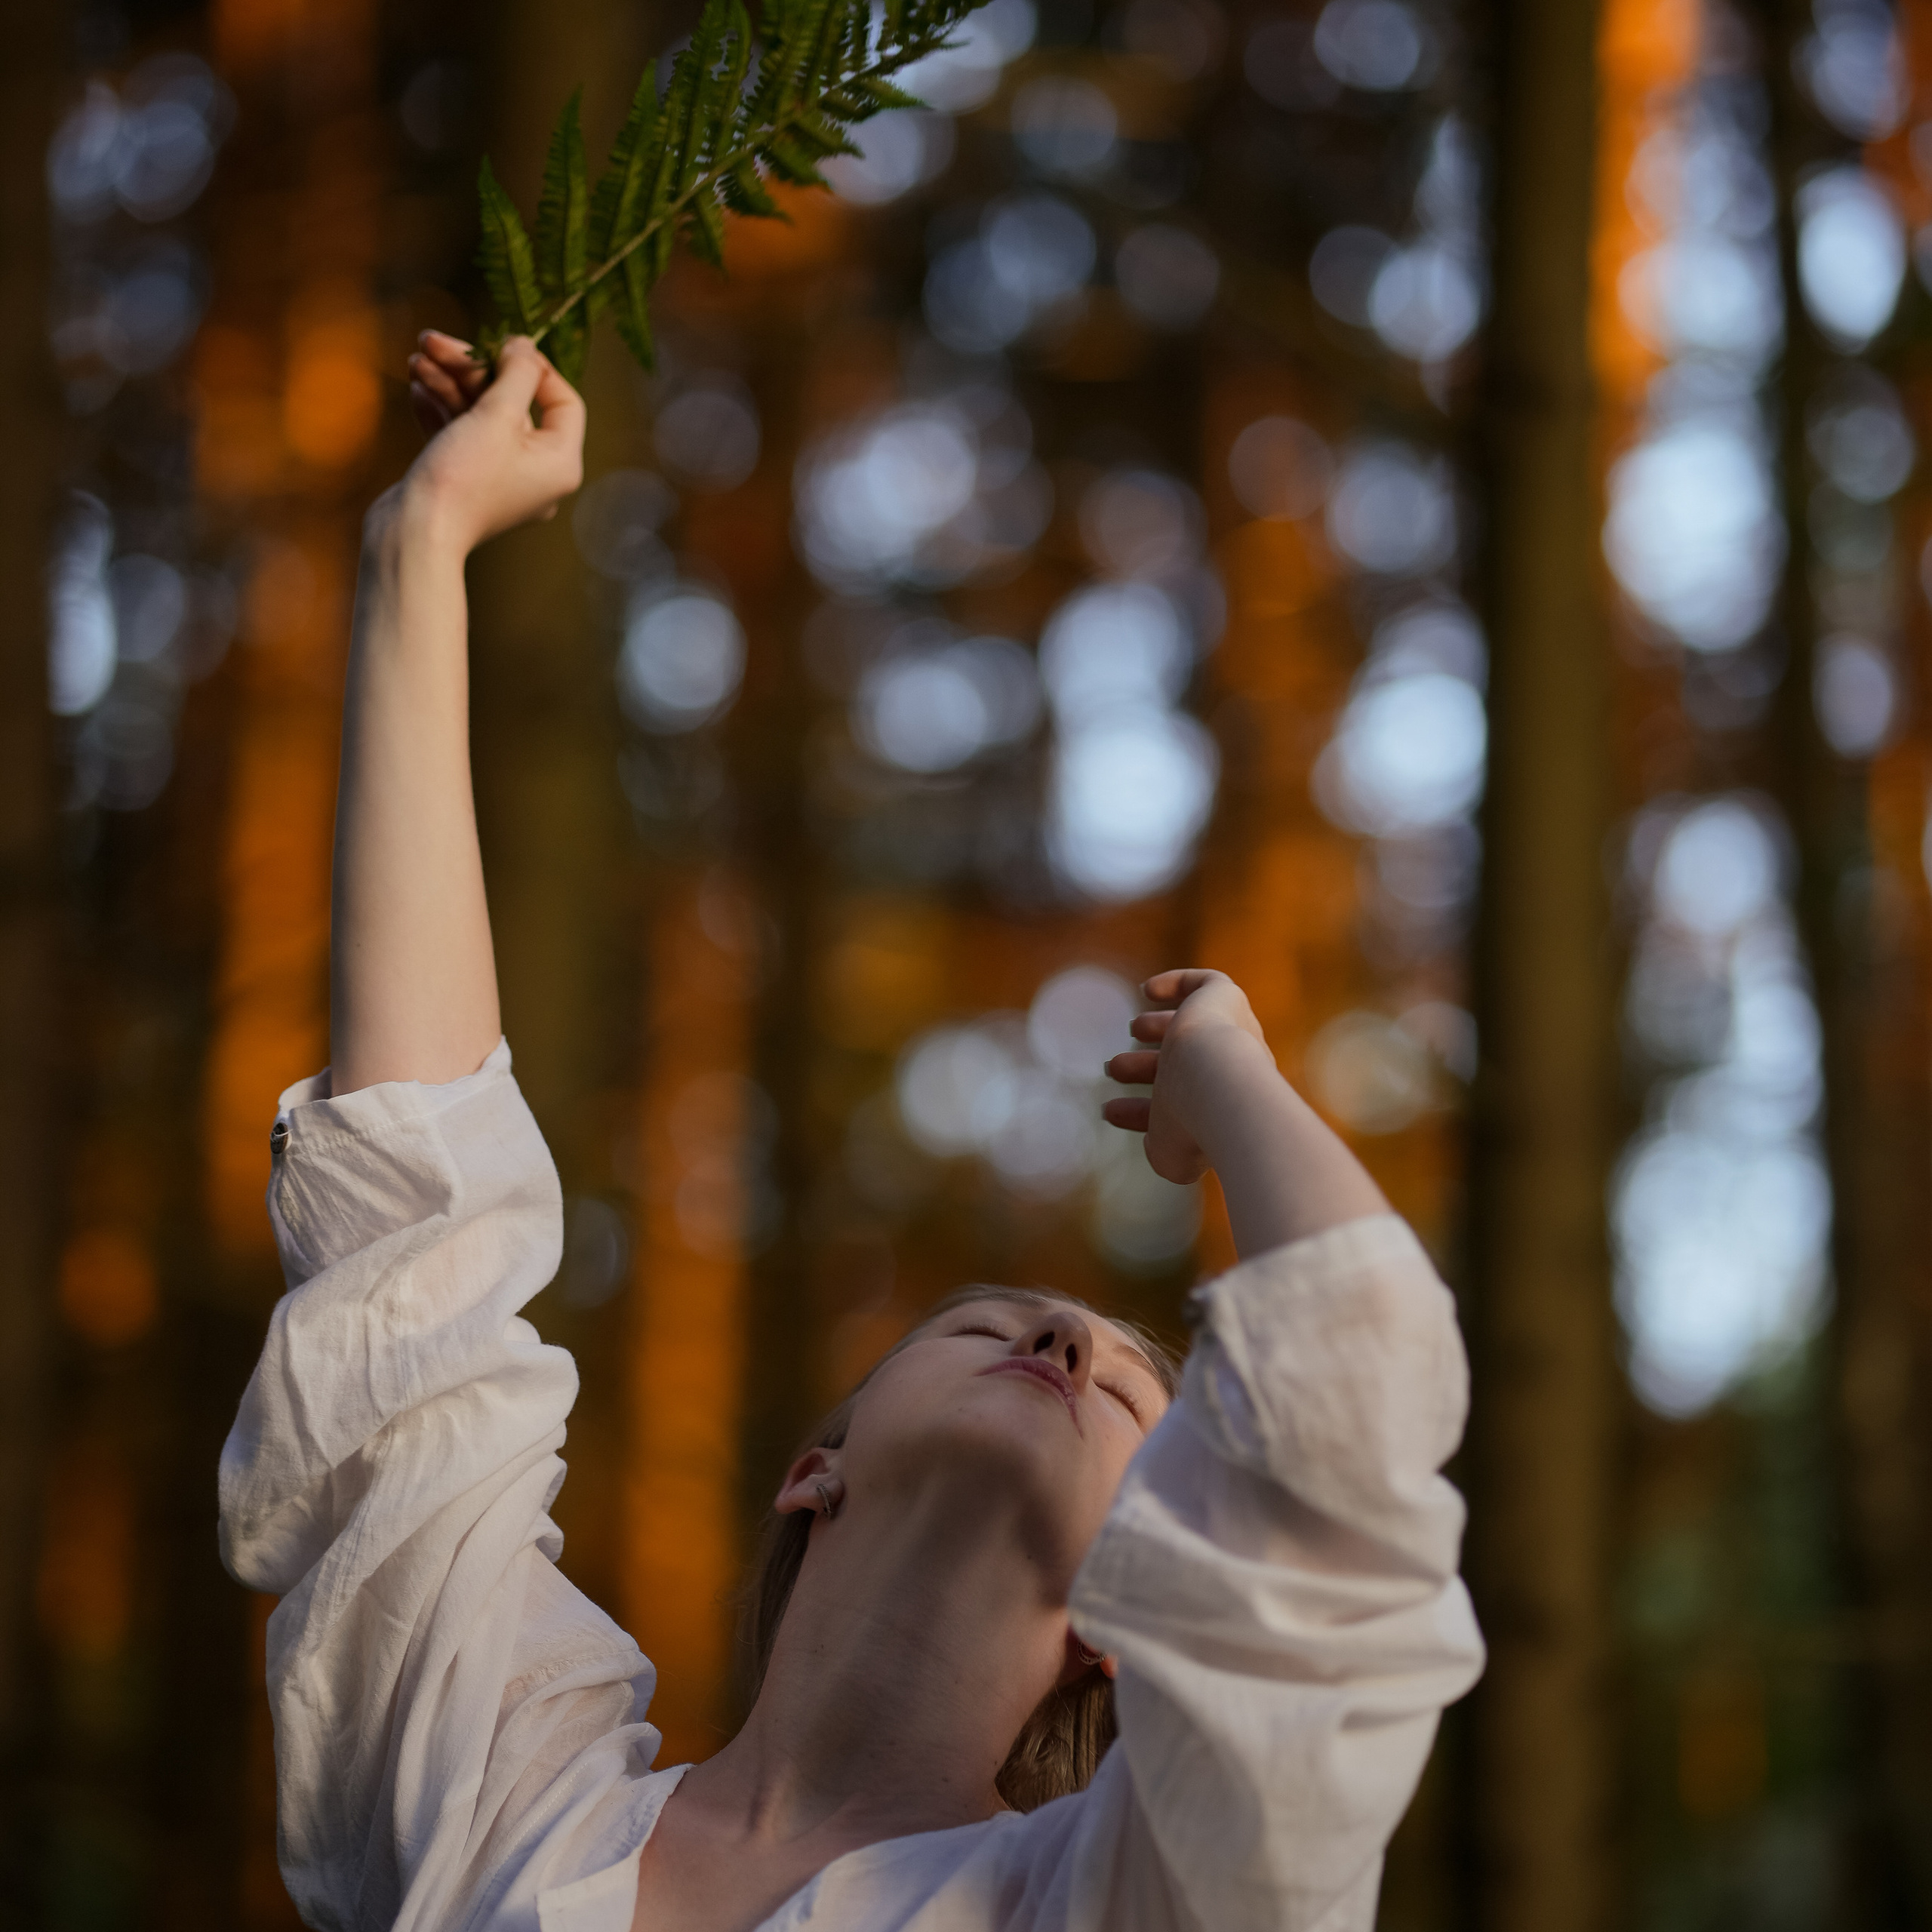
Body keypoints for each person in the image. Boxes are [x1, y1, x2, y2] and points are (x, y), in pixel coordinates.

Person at [219, 332, 1484, 1932]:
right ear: (815, 1471)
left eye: (1134, 1390)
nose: (1068, 1338)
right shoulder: (496, 1791)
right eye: (985, 1320)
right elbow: (404, 1239)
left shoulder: (1132, 1889)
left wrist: (1231, 1067)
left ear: (1132, 1593)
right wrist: (419, 549)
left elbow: (1346, 1443)